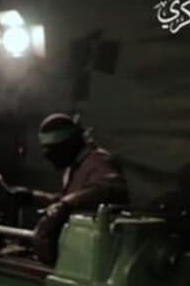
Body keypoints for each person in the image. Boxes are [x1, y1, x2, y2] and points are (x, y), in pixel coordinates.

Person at [11, 113, 128, 264]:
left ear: (69, 144)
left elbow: (109, 189)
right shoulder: (73, 166)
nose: (47, 156)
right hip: (79, 250)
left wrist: (65, 204)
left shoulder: (98, 161)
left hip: (97, 256)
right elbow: (67, 200)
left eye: (52, 150)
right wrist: (32, 196)